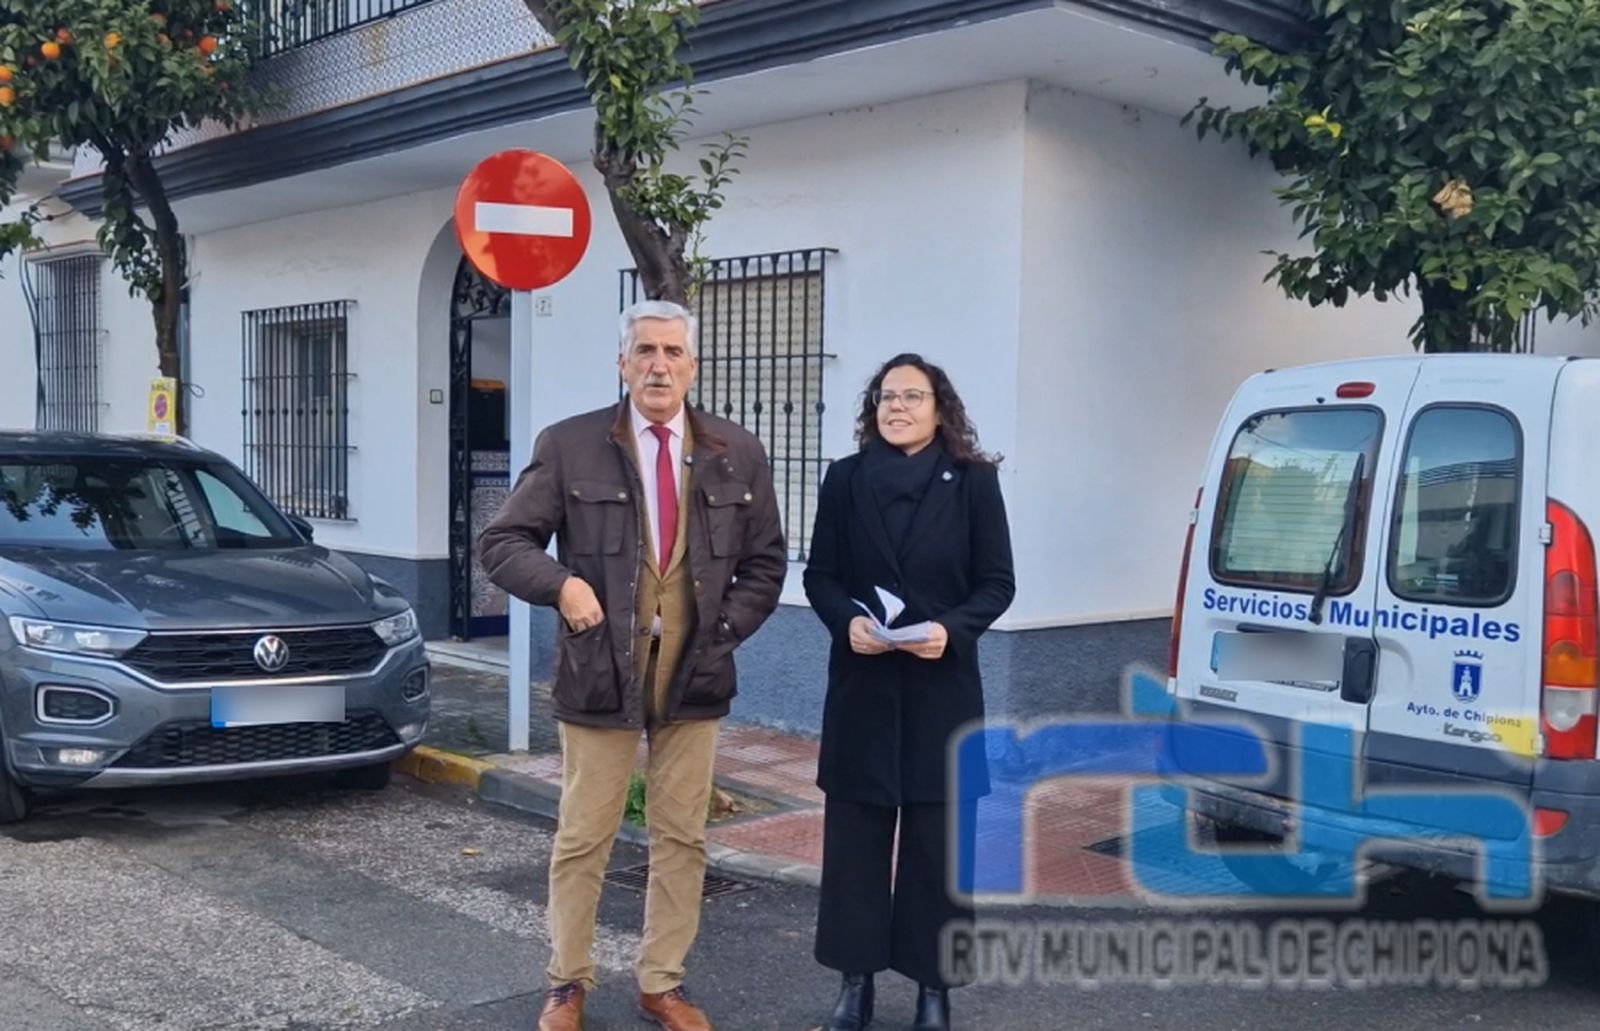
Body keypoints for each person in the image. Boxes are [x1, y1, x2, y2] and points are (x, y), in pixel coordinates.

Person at [478, 299, 787, 1031]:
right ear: (623, 364)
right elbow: (504, 542)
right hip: (599, 676)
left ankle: (662, 980)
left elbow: (766, 563)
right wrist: (563, 585)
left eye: (673, 352)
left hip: (696, 676)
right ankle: (566, 981)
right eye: (644, 350)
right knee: (585, 833)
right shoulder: (570, 444)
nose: (658, 364)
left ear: (693, 366)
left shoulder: (736, 451)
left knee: (682, 834)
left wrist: (722, 632)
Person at [802, 353, 1016, 1031]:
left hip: (942, 691)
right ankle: (854, 984)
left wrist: (950, 631)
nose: (897, 407)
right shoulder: (845, 478)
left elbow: (997, 582)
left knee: (938, 846)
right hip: (863, 686)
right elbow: (821, 575)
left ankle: (933, 988)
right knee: (856, 846)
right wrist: (848, 621)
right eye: (886, 396)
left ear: (939, 406)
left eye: (912, 396)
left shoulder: (974, 482)